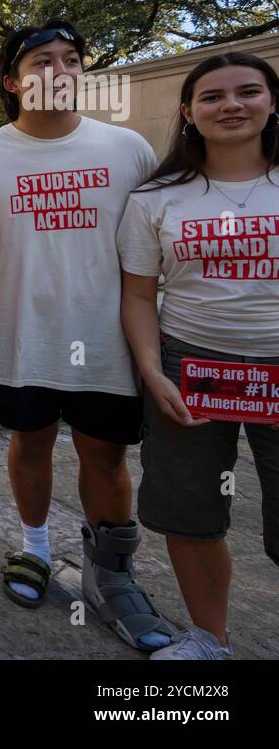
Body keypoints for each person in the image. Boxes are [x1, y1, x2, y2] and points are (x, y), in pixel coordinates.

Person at [0, 18, 174, 651]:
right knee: (30, 442)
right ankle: (35, 546)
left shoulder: (125, 150)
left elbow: (152, 239)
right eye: (42, 61)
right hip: (21, 338)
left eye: (71, 59)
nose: (60, 71)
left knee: (105, 456)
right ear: (13, 82)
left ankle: (112, 577)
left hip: (105, 341)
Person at [117, 52, 279, 660]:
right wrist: (152, 370)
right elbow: (137, 294)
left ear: (272, 101)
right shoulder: (157, 197)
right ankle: (210, 639)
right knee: (190, 514)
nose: (231, 105)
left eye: (248, 92)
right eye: (212, 96)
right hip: (192, 368)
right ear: (188, 112)